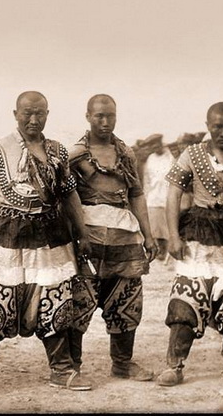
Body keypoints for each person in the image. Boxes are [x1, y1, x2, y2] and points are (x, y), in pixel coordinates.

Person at [0, 90, 93, 396]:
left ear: (47, 115)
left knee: (55, 299)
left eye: (40, 113)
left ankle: (62, 370)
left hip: (51, 235)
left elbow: (69, 194)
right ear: (15, 114)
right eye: (27, 113)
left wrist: (82, 233)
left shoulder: (58, 151)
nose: (33, 119)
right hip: (8, 234)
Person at [67, 94, 158, 382]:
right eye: (99, 116)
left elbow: (136, 194)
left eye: (111, 116)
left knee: (127, 299)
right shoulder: (75, 155)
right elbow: (65, 197)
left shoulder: (126, 153)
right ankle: (71, 366)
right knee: (80, 300)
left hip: (124, 236)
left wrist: (148, 235)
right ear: (88, 117)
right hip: (88, 236)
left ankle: (122, 363)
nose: (106, 122)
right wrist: (74, 234)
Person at [157, 101, 223, 387]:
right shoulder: (192, 155)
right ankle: (174, 365)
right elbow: (173, 194)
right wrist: (173, 236)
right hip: (198, 238)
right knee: (186, 301)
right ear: (208, 126)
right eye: (217, 126)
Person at [140, 134, 173, 262]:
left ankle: (169, 253)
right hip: (153, 198)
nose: (155, 147)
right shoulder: (151, 159)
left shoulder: (170, 156)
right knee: (155, 227)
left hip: (167, 197)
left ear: (160, 143)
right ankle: (160, 251)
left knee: (167, 227)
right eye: (152, 145)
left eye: (156, 144)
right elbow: (147, 180)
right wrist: (146, 196)